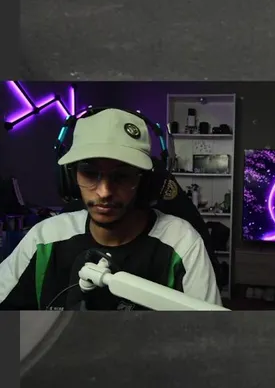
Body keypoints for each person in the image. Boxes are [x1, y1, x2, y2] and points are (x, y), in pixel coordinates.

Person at [0, 107, 221, 310]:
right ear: (70, 178)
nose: (104, 192)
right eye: (89, 173)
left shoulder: (182, 243)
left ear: (144, 182)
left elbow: (210, 334)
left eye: (122, 176)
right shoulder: (44, 239)